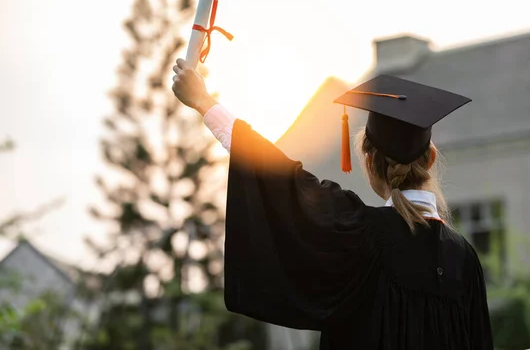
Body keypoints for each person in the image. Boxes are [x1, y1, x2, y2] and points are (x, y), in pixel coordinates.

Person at [171, 58, 494, 350]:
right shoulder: (463, 257)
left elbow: (276, 174)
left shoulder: (359, 233)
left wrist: (204, 102)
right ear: (431, 158)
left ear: (369, 161)